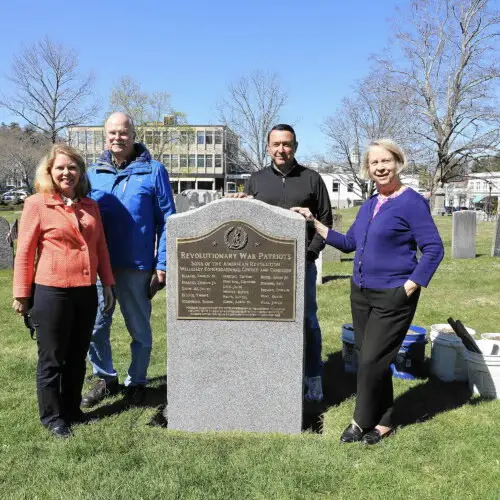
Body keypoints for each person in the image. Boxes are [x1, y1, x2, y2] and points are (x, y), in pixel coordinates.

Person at [292, 138, 444, 444]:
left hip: (394, 295)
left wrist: (410, 285)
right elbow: (349, 243)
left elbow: (433, 249)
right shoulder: (370, 204)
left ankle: (360, 421)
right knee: (372, 358)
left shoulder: (412, 202)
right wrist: (314, 223)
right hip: (361, 293)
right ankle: (385, 420)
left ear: (397, 162)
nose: (380, 167)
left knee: (370, 361)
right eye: (374, 163)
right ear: (368, 169)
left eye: (385, 161)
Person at [12, 144, 115, 438]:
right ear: (49, 171)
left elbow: (100, 248)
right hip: (51, 292)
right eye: (60, 168)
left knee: (77, 355)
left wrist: (107, 283)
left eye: (72, 167)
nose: (66, 173)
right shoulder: (36, 204)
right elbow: (24, 252)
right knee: (52, 359)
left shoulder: (90, 206)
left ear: (80, 172)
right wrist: (21, 293)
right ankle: (52, 417)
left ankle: (72, 410)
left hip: (85, 291)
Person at [229, 124, 332, 402]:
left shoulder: (312, 179)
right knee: (264, 322)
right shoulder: (257, 180)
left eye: (286, 144)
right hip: (263, 269)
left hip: (302, 265)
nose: (281, 150)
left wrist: (309, 255)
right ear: (268, 147)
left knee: (308, 320)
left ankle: (313, 376)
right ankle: (267, 373)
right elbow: (246, 224)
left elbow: (326, 221)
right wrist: (239, 204)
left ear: (295, 146)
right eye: (276, 144)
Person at [82, 112, 176, 408]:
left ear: (133, 134)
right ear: (105, 136)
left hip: (136, 267)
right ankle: (105, 378)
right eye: (112, 133)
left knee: (139, 329)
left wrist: (162, 265)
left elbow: (168, 221)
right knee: (95, 327)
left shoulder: (154, 170)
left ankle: (137, 381)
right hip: (98, 266)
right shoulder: (92, 173)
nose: (117, 138)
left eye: (123, 132)